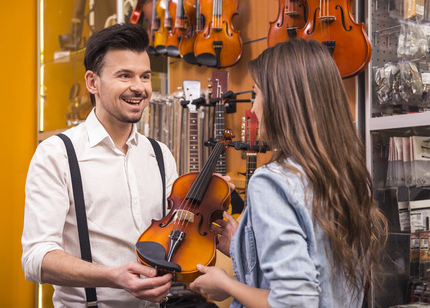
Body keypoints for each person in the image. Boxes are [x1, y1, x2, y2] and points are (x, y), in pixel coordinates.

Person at [190, 38, 389, 308]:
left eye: (256, 94)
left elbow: (294, 302)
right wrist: (243, 245)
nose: (252, 109)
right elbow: (321, 271)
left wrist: (225, 284)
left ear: (282, 103)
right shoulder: (349, 177)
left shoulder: (271, 182)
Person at [22, 23, 177, 307]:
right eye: (124, 75)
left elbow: (175, 237)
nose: (139, 88)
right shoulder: (57, 154)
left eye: (145, 76)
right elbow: (36, 259)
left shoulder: (161, 154)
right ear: (93, 82)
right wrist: (112, 276)